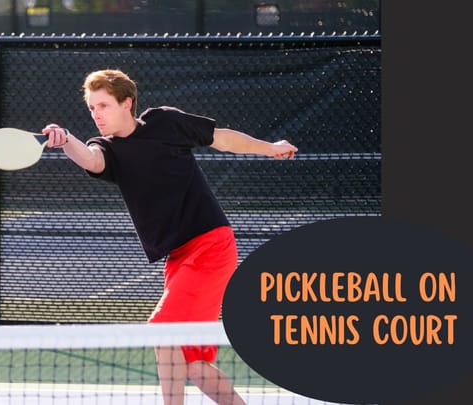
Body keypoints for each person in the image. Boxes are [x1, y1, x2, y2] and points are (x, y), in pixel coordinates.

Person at [40, 69, 297, 405]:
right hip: (178, 259)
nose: (96, 114)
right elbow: (91, 159)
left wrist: (271, 148)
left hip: (212, 247)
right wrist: (66, 139)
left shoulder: (163, 122)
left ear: (126, 103)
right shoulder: (106, 149)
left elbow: (222, 138)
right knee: (192, 364)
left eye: (103, 105)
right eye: (92, 108)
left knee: (162, 329)